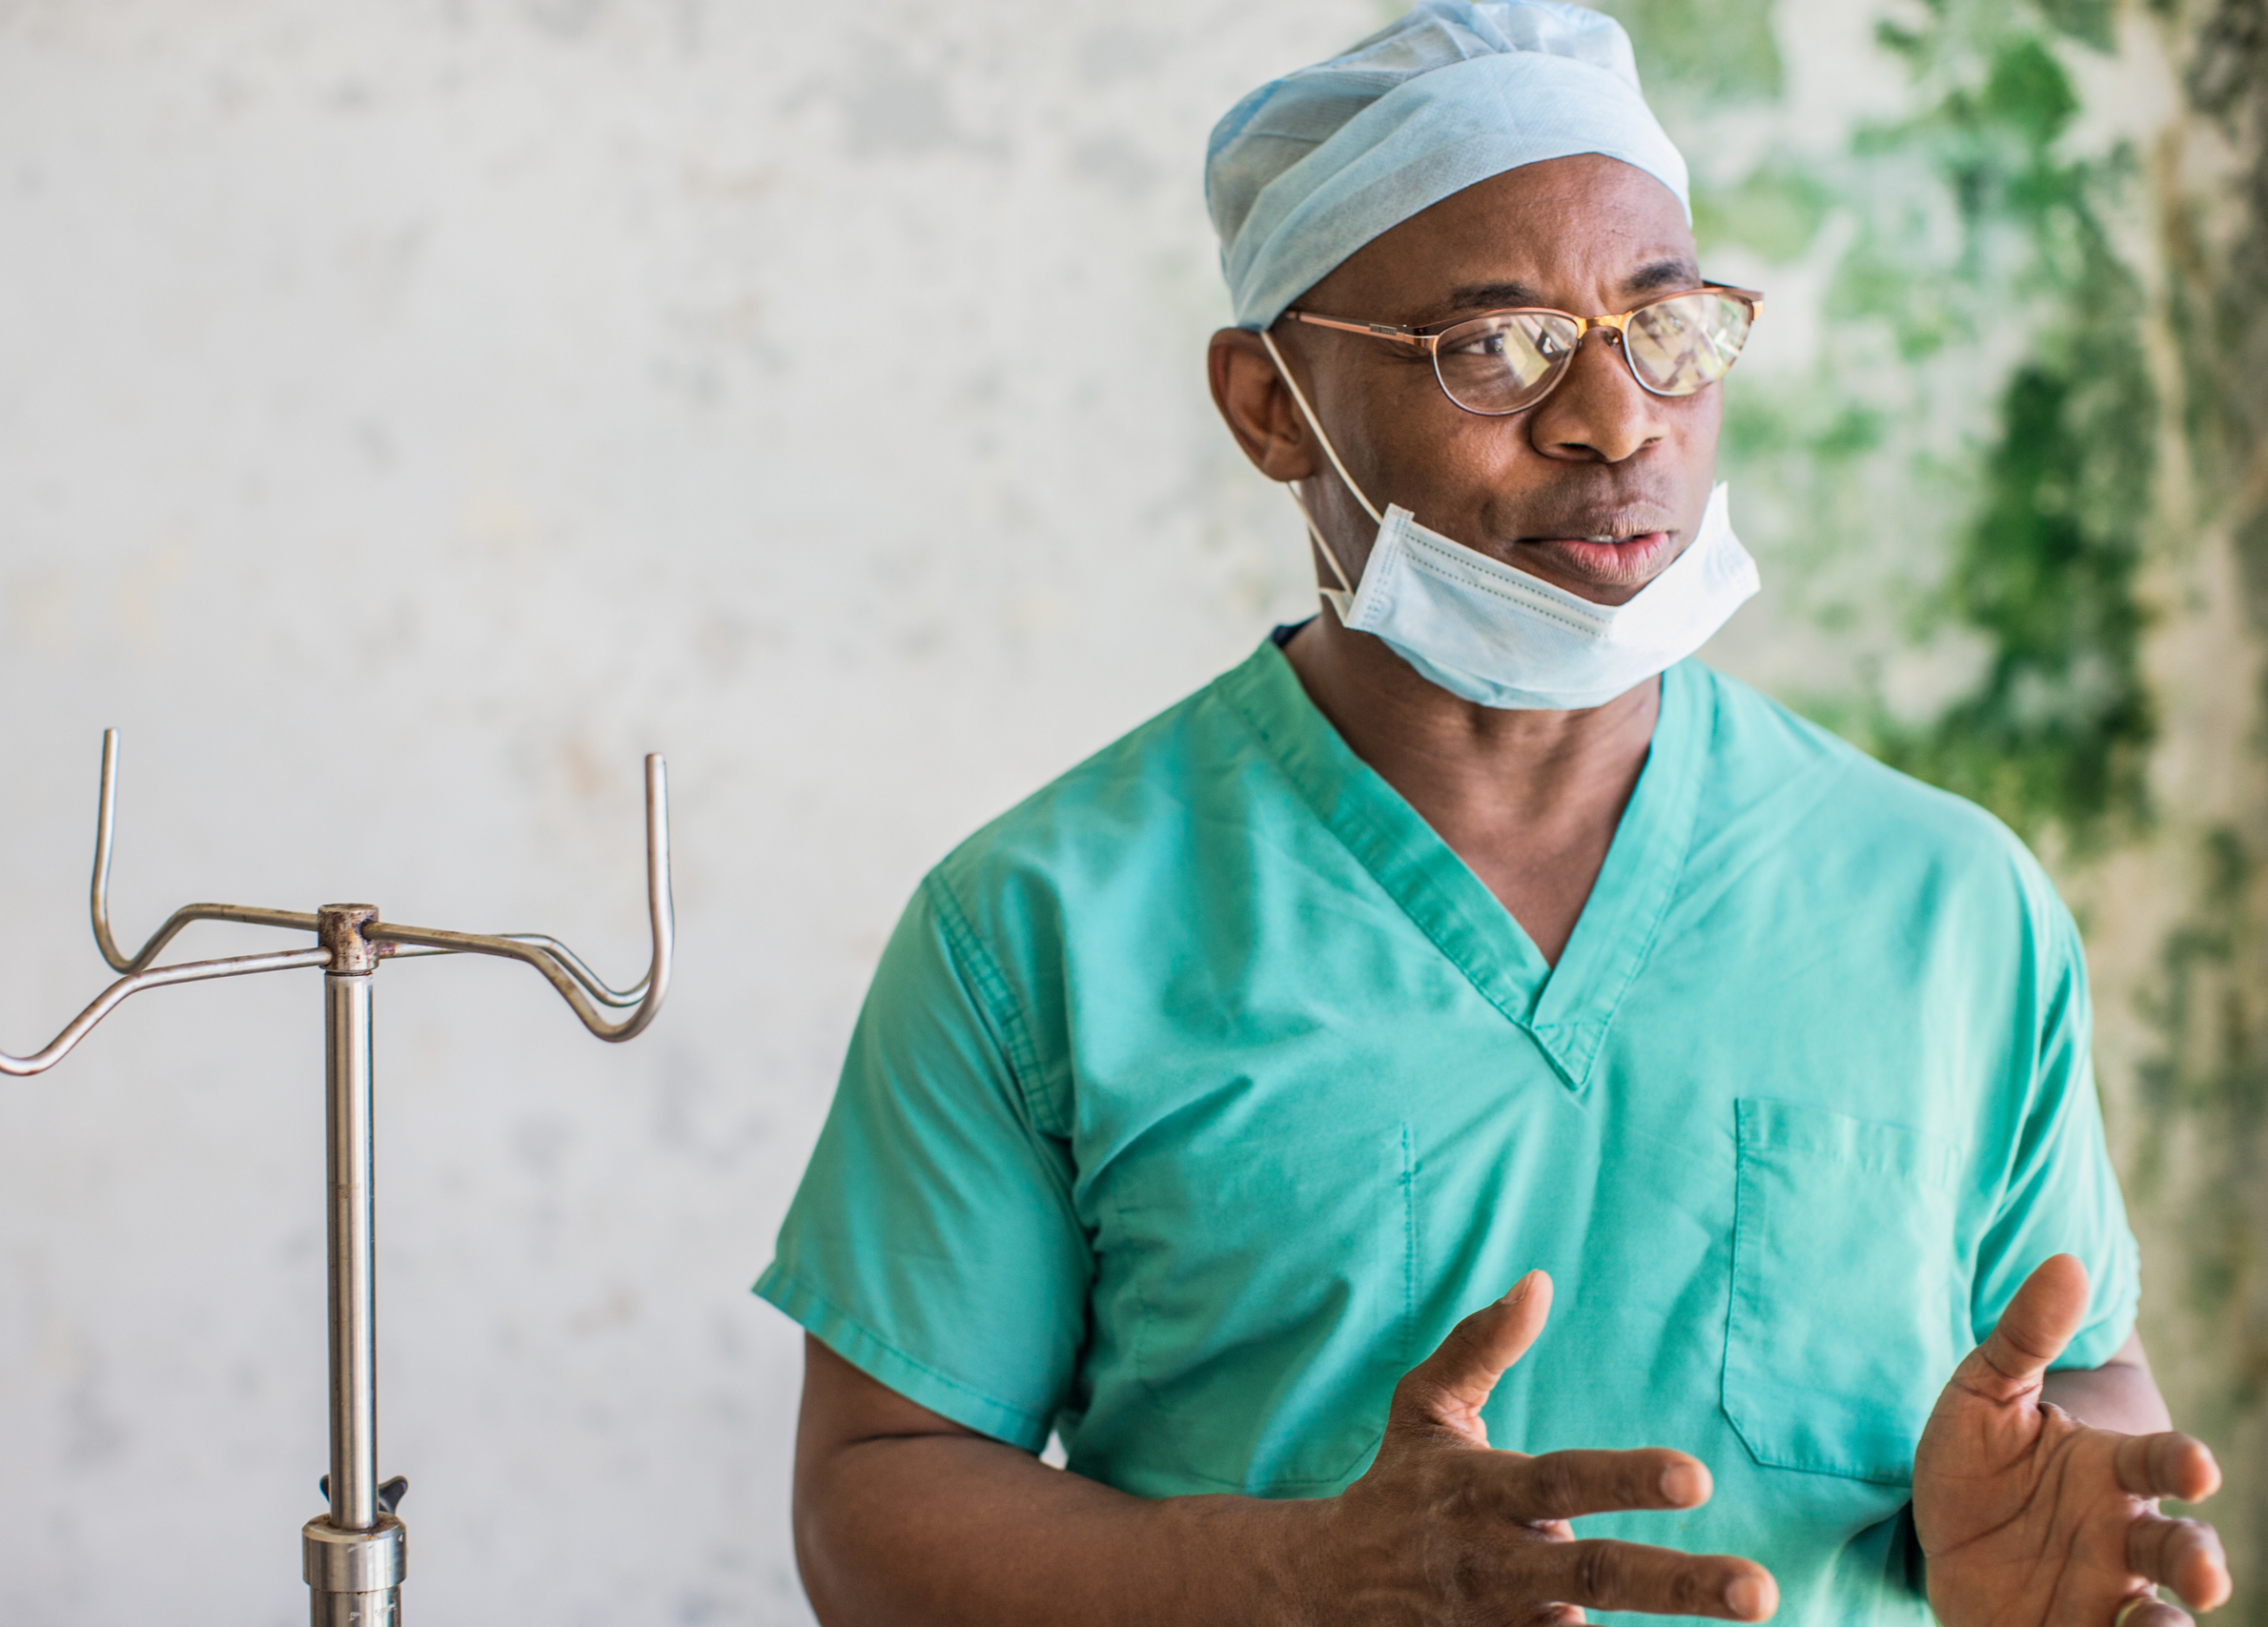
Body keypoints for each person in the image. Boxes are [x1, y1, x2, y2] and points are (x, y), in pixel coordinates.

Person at [752, 4, 2233, 1622]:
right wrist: (1296, 1578)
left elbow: (2082, 1379)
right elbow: (873, 1506)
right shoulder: (1041, 930)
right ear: (1268, 408)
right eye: (1498, 347)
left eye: (1666, 326)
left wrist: (2028, 1527)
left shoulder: (1947, 904)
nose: (1616, 420)